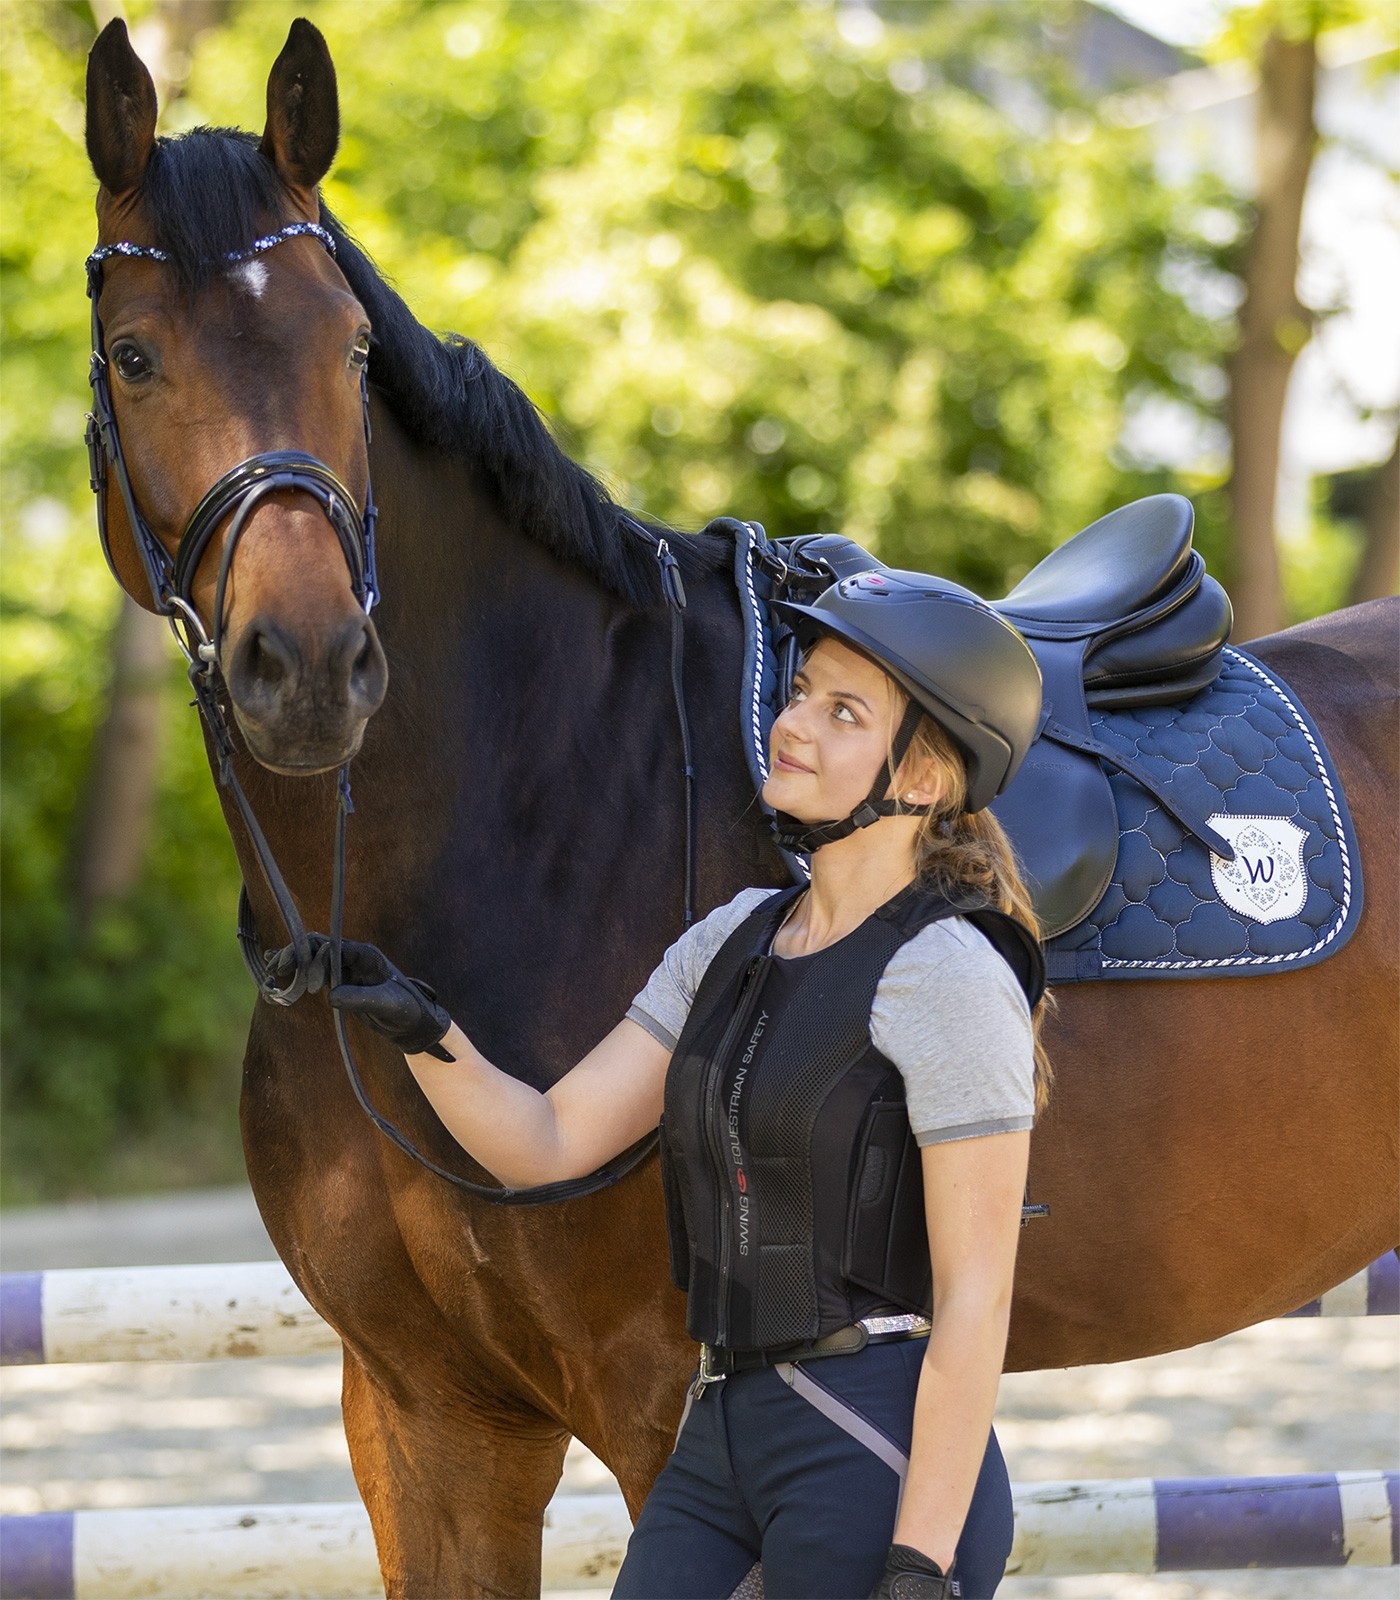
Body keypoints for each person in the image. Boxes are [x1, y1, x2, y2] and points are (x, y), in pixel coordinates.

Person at [327, 569, 1051, 1600]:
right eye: (801, 691)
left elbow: (976, 1298)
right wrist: (418, 1027)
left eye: (841, 713)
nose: (792, 723)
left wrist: (919, 1563)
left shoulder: (944, 971)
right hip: (717, 1433)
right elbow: (547, 1138)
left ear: (924, 778)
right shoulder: (731, 937)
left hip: (872, 1450)